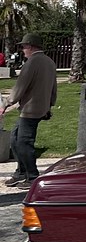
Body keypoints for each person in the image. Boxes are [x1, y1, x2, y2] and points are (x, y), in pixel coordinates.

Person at [0, 33, 57, 189]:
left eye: (24, 46)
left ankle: (32, 176)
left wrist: (6, 103)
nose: (22, 49)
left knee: (24, 142)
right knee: (15, 137)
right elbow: (54, 87)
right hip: (40, 107)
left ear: (31, 46)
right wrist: (50, 104)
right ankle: (21, 171)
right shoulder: (49, 62)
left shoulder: (32, 62)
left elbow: (20, 86)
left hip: (30, 109)